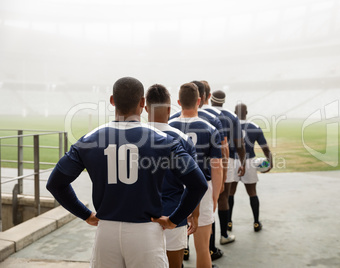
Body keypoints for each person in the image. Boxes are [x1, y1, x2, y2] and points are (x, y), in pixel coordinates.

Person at [46, 77, 208, 268]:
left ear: (112, 100)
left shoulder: (89, 139)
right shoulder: (164, 140)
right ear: (142, 103)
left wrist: (86, 214)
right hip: (146, 234)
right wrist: (174, 219)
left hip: (106, 231)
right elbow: (198, 184)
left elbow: (55, 183)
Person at [145, 84, 204, 268]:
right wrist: (194, 214)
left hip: (142, 217)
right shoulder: (183, 140)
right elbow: (194, 183)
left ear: (146, 108)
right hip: (174, 214)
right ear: (170, 109)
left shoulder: (136, 136)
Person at [170, 80, 228, 261]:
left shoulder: (169, 126)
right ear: (199, 101)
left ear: (178, 102)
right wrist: (216, 195)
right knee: (203, 249)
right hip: (202, 188)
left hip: (174, 190)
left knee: (171, 250)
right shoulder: (209, 128)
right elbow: (216, 167)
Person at [229, 103, 273, 232]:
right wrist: (270, 162)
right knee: (252, 192)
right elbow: (265, 148)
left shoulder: (230, 127)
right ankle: (256, 222)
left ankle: (228, 222)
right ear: (246, 112)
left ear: (234, 112)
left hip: (233, 161)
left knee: (230, 193)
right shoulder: (254, 127)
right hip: (249, 161)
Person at [210, 90, 246, 240]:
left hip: (206, 159)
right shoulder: (232, 116)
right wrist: (242, 162)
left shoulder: (204, 113)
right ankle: (224, 235)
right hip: (227, 158)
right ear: (224, 101)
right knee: (223, 197)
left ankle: (201, 242)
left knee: (205, 199)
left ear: (211, 100)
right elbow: (239, 143)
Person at [200, 81, 229, 260]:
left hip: (182, 177)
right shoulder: (215, 118)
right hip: (207, 175)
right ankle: (211, 250)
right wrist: (222, 179)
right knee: (208, 215)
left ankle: (184, 250)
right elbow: (223, 150)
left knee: (183, 213)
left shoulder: (175, 118)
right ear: (207, 96)